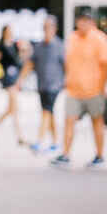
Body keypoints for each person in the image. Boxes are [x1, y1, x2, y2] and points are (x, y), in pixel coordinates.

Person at [51, 8, 107, 168]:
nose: (83, 23)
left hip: (94, 89)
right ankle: (65, 154)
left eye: (86, 20)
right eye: (80, 20)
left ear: (92, 22)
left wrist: (102, 86)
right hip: (74, 89)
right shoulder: (73, 38)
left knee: (97, 121)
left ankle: (100, 156)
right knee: (69, 121)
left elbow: (106, 63)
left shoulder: (99, 39)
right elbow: (67, 62)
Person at [26, 15, 65, 154]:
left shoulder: (60, 46)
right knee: (49, 113)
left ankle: (39, 141)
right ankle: (55, 143)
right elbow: (30, 64)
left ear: (55, 28)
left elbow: (67, 66)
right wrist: (20, 81)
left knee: (46, 112)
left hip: (54, 85)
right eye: (44, 27)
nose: (46, 30)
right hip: (42, 84)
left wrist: (69, 82)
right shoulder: (39, 47)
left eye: (48, 27)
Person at [0, 21, 26, 146]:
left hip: (15, 77)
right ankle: (19, 135)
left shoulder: (15, 45)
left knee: (11, 109)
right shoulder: (2, 47)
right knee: (14, 108)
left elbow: (20, 60)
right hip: (9, 78)